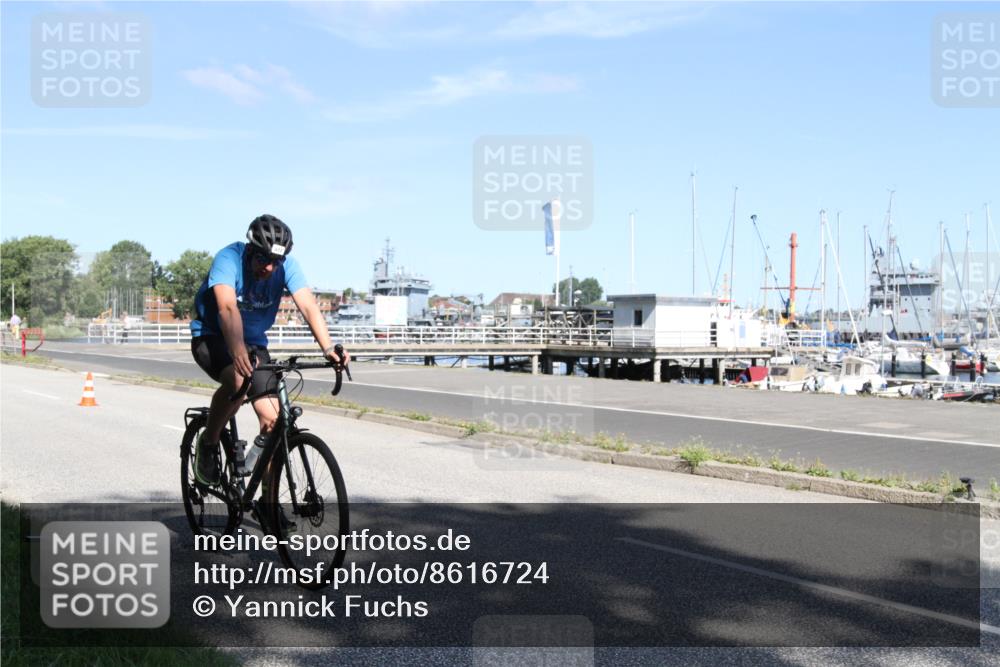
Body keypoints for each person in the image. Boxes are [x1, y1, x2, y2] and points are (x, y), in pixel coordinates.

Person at [189, 214, 348, 486]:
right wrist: (237, 349)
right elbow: (227, 308)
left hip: (253, 344)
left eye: (277, 261)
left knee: (274, 424)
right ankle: (209, 442)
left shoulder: (287, 267)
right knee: (238, 381)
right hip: (212, 336)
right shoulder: (229, 258)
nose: (270, 268)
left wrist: (328, 347)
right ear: (250, 250)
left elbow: (308, 306)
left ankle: (268, 500)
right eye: (263, 259)